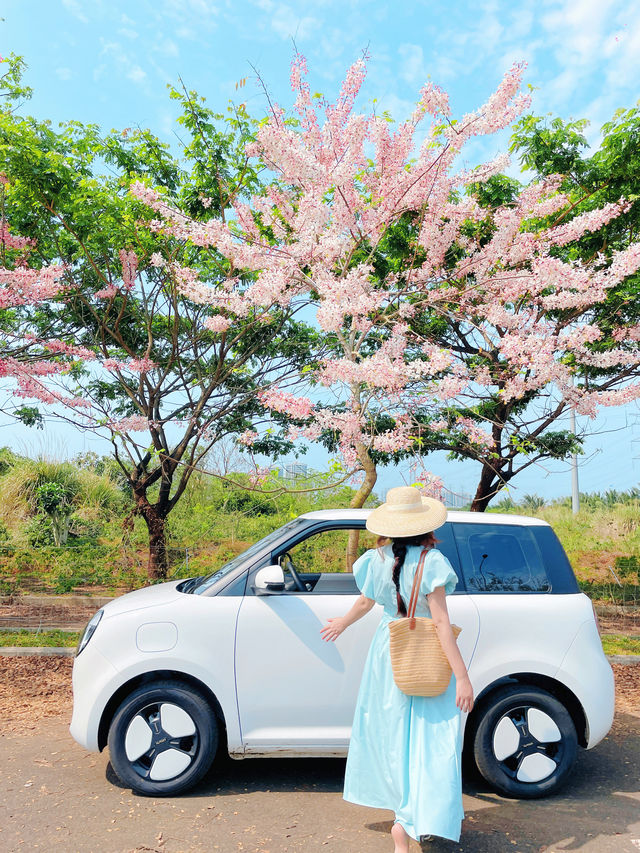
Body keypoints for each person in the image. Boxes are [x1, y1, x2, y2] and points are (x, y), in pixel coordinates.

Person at [320, 486, 474, 852]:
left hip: (388, 651)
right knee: (430, 740)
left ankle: (402, 822)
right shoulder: (432, 562)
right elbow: (439, 624)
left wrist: (342, 622)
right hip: (426, 655)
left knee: (393, 740)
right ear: (425, 525)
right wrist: (464, 677)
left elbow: (365, 601)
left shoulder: (377, 559)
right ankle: (415, 818)